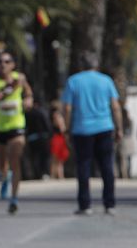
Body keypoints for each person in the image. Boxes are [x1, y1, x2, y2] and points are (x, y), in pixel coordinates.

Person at [62, 51, 122, 215]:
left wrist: (66, 128)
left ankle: (85, 205)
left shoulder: (73, 81)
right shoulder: (106, 81)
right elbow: (115, 106)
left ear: (82, 65)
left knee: (83, 166)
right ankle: (109, 204)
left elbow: (67, 108)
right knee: (107, 167)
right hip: (104, 127)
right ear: (96, 64)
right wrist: (119, 128)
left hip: (82, 129)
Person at [0, 50, 32, 214]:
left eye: (7, 61)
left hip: (16, 126)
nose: (3, 64)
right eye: (0, 62)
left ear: (13, 65)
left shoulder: (19, 79)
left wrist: (28, 101)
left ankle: (14, 198)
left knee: (15, 159)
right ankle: (5, 176)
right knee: (2, 164)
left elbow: (29, 94)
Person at [49, 101, 69, 180]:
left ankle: (58, 175)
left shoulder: (54, 115)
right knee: (57, 158)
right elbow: (61, 127)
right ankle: (56, 175)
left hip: (57, 137)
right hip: (58, 138)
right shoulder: (57, 115)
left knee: (58, 158)